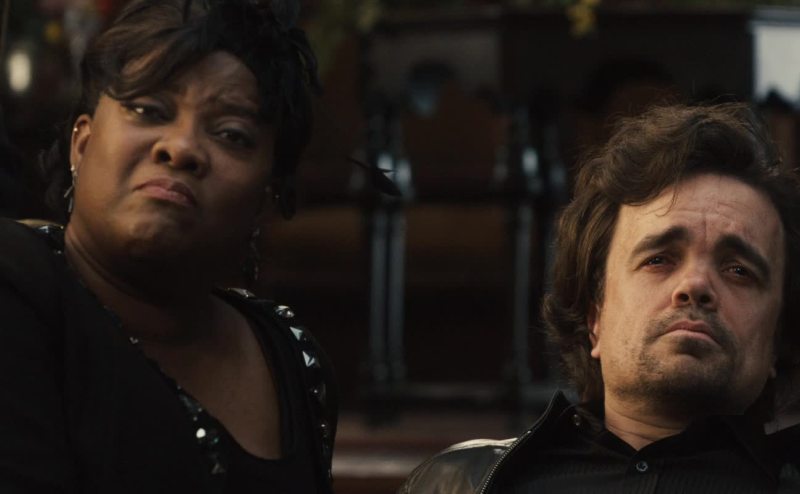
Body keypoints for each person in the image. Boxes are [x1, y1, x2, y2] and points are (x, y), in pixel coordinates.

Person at [0, 0, 337, 492]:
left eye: (231, 134)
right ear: (82, 143)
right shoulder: (16, 286)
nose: (180, 148)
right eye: (149, 111)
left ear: (265, 199)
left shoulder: (290, 355)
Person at [399, 103, 800, 493]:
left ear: (778, 337)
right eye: (659, 259)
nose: (695, 284)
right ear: (595, 317)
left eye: (738, 271)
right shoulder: (456, 484)